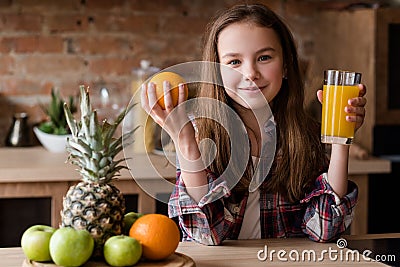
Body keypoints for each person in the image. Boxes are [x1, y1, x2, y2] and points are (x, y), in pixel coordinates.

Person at [141, 3, 367, 245]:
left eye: (264, 57)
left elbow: (324, 230)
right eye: (234, 62)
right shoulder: (199, 133)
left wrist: (340, 140)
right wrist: (185, 142)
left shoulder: (304, 135)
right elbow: (206, 235)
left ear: (287, 65)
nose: (250, 73)